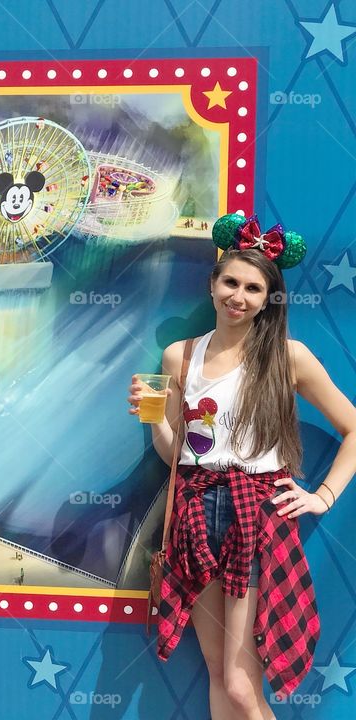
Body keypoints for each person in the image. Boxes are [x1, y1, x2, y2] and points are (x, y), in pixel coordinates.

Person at [128, 214, 356, 717]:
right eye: (231, 282)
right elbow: (178, 456)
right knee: (217, 671)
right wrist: (153, 418)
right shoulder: (178, 357)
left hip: (255, 512)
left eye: (254, 288)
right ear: (212, 285)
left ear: (268, 298)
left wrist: (323, 495)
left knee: (238, 681)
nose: (239, 296)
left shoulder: (287, 357)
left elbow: (353, 428)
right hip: (194, 510)